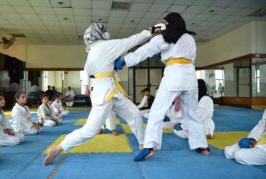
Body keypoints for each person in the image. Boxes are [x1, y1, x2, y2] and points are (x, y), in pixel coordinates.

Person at [43, 22, 158, 165]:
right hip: (104, 94)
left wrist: (86, 85)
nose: (106, 34)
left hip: (111, 91)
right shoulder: (104, 47)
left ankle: (144, 145)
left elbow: (87, 70)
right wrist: (150, 31)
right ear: (98, 35)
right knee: (90, 131)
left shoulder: (93, 51)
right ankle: (57, 148)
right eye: (103, 31)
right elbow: (131, 41)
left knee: (134, 113)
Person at [115, 12, 210, 161]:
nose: (163, 25)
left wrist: (125, 60)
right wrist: (168, 54)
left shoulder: (163, 38)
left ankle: (149, 146)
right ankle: (202, 146)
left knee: (157, 112)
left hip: (173, 75)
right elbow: (190, 58)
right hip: (190, 77)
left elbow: (144, 51)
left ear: (169, 24)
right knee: (191, 114)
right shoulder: (189, 38)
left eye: (165, 22)